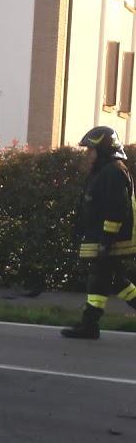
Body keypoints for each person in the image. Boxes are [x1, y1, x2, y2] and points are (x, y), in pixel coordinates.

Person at [61, 126, 136, 339]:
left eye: (91, 150)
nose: (87, 154)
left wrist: (107, 240)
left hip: (111, 239)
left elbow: (116, 209)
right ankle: (89, 324)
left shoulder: (113, 171)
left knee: (100, 278)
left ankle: (89, 324)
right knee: (115, 280)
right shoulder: (106, 171)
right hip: (104, 238)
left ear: (103, 150)